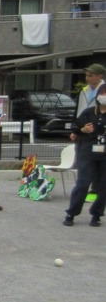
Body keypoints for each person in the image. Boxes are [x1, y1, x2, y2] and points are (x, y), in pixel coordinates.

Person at [63, 82, 106, 227]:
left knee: (103, 186)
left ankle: (96, 214)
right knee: (83, 183)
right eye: (102, 93)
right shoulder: (89, 112)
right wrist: (82, 130)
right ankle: (72, 213)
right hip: (87, 150)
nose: (104, 97)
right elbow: (74, 127)